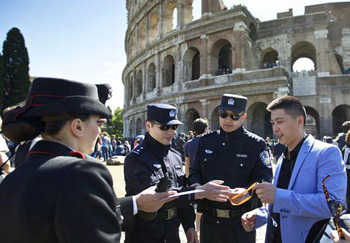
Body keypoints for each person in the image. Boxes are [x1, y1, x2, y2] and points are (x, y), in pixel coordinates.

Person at [0, 77, 177, 243]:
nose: (99, 131)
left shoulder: (12, 179)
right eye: (98, 123)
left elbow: (61, 212)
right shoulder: (82, 172)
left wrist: (135, 203)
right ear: (77, 126)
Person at [241, 95, 347, 243]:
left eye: (280, 122)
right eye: (272, 123)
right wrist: (261, 216)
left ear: (299, 121)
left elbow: (333, 206)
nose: (275, 128)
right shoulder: (283, 156)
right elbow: (283, 207)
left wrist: (277, 197)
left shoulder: (326, 153)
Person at [124, 104, 232, 243]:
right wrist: (200, 191)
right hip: (145, 233)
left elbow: (183, 196)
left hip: (172, 234)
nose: (171, 132)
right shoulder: (136, 158)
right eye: (164, 127)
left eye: (174, 127)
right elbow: (158, 197)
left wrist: (189, 226)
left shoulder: (174, 155)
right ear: (148, 126)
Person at [188, 94, 273, 243]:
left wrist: (246, 193)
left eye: (234, 116)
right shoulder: (205, 142)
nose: (228, 119)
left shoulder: (255, 144)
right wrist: (201, 189)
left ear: (244, 117)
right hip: (210, 221)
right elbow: (194, 172)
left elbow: (264, 178)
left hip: (240, 222)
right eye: (223, 114)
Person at [184, 118, 209, 238]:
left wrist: (188, 179)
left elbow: (187, 163)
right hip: (206, 177)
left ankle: (198, 232)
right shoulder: (209, 142)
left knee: (198, 207)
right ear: (206, 128)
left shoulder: (188, 144)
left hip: (194, 179)